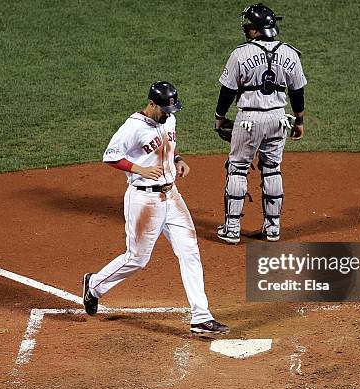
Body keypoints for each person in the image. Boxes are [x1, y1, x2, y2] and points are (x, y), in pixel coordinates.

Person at [82, 81, 229, 334]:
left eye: (172, 109)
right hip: (144, 200)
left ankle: (200, 317)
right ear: (152, 104)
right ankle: (94, 285)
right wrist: (140, 169)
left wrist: (179, 159)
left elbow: (168, 145)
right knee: (137, 259)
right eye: (164, 109)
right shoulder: (133, 127)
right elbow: (111, 155)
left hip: (172, 197)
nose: (169, 114)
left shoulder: (168, 119)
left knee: (190, 251)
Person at [214, 3, 307, 244]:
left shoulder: (240, 54)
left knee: (237, 169)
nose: (246, 28)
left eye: (248, 25)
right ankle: (273, 228)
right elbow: (297, 93)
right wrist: (299, 120)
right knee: (272, 168)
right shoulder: (290, 53)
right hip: (278, 118)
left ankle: (232, 228)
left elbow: (227, 91)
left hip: (249, 119)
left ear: (256, 30)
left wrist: (219, 117)